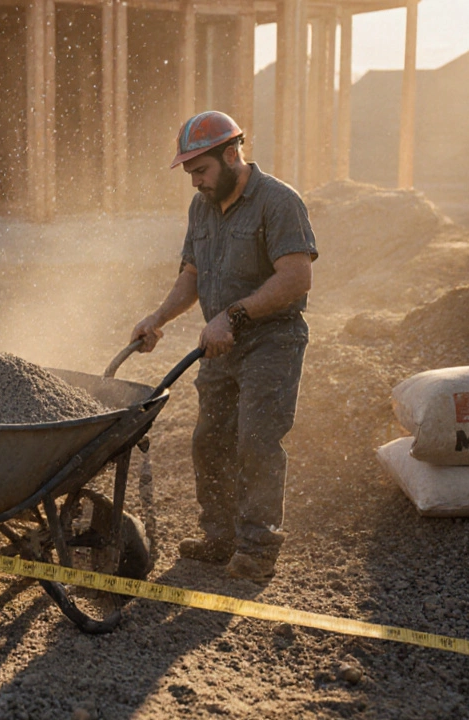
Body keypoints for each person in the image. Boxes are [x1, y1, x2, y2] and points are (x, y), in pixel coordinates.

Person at [130, 111, 317, 583]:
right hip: (219, 345)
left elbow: (296, 278)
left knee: (256, 439)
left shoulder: (278, 202)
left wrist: (232, 315)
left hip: (271, 340)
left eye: (201, 170)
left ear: (232, 154)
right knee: (209, 442)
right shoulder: (202, 208)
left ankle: (257, 548)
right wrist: (158, 319)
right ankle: (221, 537)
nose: (195, 182)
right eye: (190, 173)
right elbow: (192, 275)